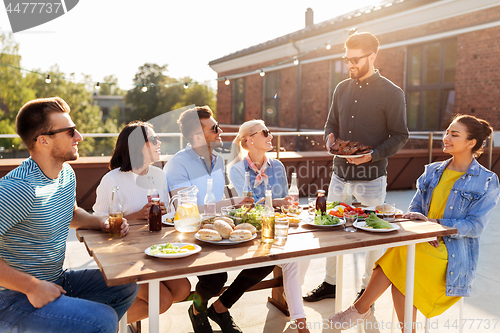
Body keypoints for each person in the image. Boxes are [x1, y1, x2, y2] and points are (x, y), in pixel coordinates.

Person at [329, 115, 500, 332]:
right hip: (423, 240)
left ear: (471, 143)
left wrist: (434, 226)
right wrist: (423, 228)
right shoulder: (433, 171)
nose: (446, 137)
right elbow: (415, 209)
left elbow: (475, 226)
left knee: (401, 256)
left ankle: (360, 309)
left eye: (454, 134)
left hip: (451, 251)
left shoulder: (486, 180)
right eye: (447, 132)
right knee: (404, 259)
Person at [0, 97, 139, 333]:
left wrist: (101, 222)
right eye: (70, 131)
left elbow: (71, 213)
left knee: (126, 284)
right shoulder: (18, 189)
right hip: (12, 297)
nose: (79, 137)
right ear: (43, 140)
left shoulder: (65, 173)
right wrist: (32, 286)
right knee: (102, 320)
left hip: (57, 280)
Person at [303, 32, 409, 303]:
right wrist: (329, 136)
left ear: (373, 56)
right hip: (339, 175)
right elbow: (331, 123)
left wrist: (372, 155)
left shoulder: (392, 93)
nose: (349, 64)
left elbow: (400, 135)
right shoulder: (341, 88)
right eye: (346, 59)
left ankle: (366, 290)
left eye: (355, 59)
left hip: (371, 178)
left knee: (372, 233)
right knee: (331, 228)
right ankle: (330, 283)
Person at [164, 106, 274, 333]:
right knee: (215, 278)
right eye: (214, 128)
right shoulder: (178, 163)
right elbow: (183, 209)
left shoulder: (217, 159)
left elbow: (223, 194)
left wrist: (241, 202)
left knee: (267, 256)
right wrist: (231, 204)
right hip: (191, 233)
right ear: (197, 136)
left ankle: (221, 307)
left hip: (221, 228)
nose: (220, 131)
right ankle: (197, 310)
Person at [93, 121, 191, 325]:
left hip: (155, 250)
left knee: (183, 289)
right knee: (161, 300)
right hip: (125, 256)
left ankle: (117, 314)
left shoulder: (159, 175)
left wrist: (166, 213)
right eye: (154, 139)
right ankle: (102, 326)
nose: (159, 142)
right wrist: (135, 216)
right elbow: (97, 221)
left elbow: (170, 215)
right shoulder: (112, 179)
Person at [229, 119, 310, 333]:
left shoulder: (278, 166)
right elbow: (249, 203)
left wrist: (284, 204)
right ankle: (297, 314)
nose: (270, 136)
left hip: (279, 225)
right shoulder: (237, 170)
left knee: (307, 250)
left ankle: (291, 299)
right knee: (292, 259)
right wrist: (275, 202)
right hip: (252, 228)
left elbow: (285, 199)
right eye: (265, 132)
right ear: (249, 140)